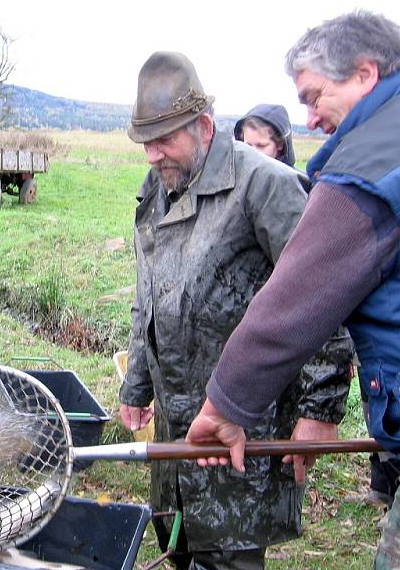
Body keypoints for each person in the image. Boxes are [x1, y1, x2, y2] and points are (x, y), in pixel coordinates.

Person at [187, 11, 400, 569]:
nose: (311, 119)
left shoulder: (369, 167)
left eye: (315, 96)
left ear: (365, 74)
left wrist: (226, 403)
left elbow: (292, 306)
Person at [119, 51, 354, 570]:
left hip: (246, 419)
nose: (154, 156)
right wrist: (137, 382)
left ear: (203, 126)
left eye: (165, 140)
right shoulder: (157, 189)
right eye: (145, 143)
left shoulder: (265, 185)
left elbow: (322, 295)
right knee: (178, 541)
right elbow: (150, 294)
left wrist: (319, 411)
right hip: (176, 420)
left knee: (228, 551)